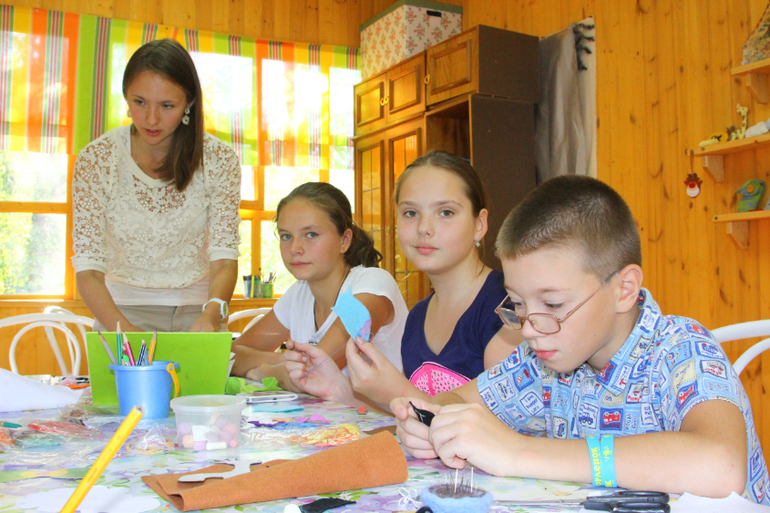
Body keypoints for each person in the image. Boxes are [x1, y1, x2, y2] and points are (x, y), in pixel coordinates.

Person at [391, 174, 770, 503]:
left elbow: (721, 465)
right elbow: (457, 399)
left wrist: (520, 452)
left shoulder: (681, 349)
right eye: (518, 304)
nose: (528, 328)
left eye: (553, 304)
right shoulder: (541, 361)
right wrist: (433, 422)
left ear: (624, 289)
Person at [285, 151, 522, 407]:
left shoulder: (509, 307)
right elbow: (409, 415)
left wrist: (395, 389)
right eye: (410, 213)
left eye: (446, 212)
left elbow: (500, 423)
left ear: (479, 224)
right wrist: (337, 387)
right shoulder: (418, 317)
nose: (423, 228)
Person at [72, 39, 241, 334]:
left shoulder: (219, 159)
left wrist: (212, 315)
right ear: (126, 97)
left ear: (189, 103)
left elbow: (225, 259)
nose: (151, 119)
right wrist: (123, 330)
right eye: (139, 102)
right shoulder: (96, 159)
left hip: (201, 312)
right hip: (119, 314)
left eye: (167, 106)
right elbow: (88, 269)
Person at [232, 182, 408, 393]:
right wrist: (284, 362)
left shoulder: (373, 286)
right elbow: (231, 356)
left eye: (311, 234)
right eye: (286, 236)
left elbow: (316, 373)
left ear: (344, 240)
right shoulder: (299, 292)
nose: (294, 248)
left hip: (382, 415)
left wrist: (265, 371)